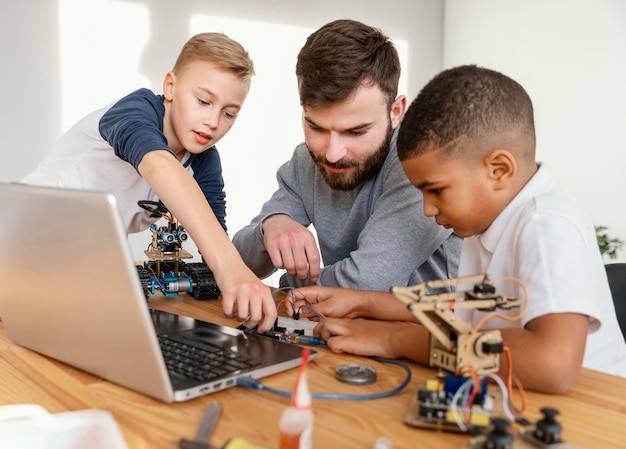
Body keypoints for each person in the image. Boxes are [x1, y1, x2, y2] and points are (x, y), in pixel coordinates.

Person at [290, 65, 626, 394]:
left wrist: (395, 339)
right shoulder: (492, 219)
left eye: (435, 191)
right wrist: (361, 302)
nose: (427, 209)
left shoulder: (546, 224)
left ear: (498, 170)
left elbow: (552, 364)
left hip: (592, 421)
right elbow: (470, 310)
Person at [21, 32, 277, 332]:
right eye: (204, 101)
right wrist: (229, 267)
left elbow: (212, 237)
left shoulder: (203, 159)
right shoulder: (134, 112)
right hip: (19, 241)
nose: (213, 122)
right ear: (170, 85)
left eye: (229, 113)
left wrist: (238, 278)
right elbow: (158, 165)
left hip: (71, 269)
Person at [232, 19, 461, 291]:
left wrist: (288, 285)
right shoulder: (306, 160)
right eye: (316, 127)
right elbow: (238, 261)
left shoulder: (420, 167)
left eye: (356, 132)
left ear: (396, 112)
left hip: (429, 330)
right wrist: (270, 227)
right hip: (339, 325)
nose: (332, 154)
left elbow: (368, 282)